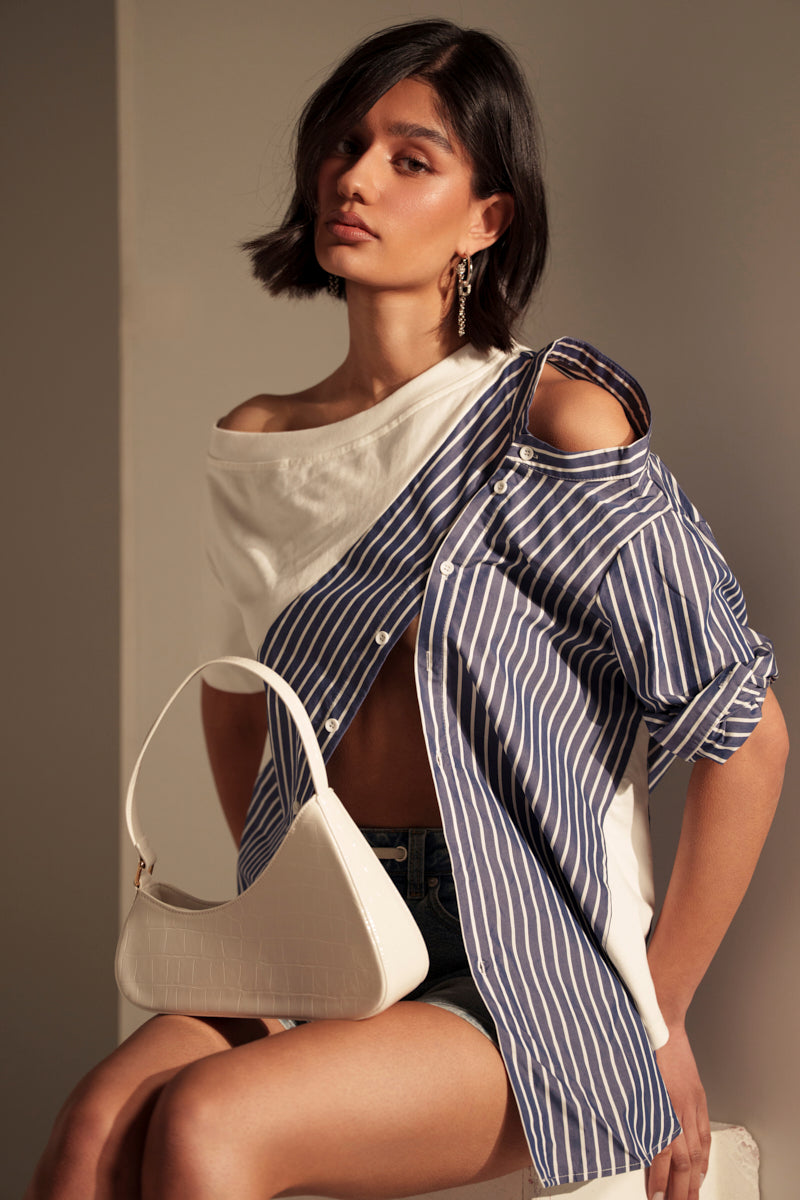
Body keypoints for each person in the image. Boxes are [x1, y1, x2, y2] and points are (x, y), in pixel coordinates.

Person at [26, 19, 787, 1200]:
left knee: (208, 1125)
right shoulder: (260, 442)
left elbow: (745, 735)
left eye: (408, 157)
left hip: (524, 963)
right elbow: (244, 711)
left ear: (488, 220)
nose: (354, 177)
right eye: (343, 145)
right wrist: (289, 904)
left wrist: (661, 1010)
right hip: (335, 926)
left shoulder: (555, 423)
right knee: (89, 1135)